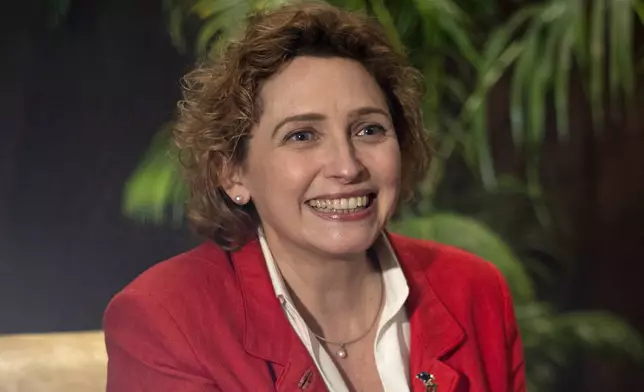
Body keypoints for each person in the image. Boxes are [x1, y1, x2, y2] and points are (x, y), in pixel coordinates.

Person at [103, 2, 526, 391]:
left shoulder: (473, 291)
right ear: (231, 171)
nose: (347, 166)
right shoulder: (168, 319)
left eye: (369, 129)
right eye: (302, 135)